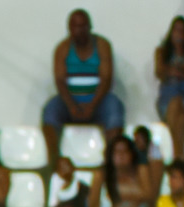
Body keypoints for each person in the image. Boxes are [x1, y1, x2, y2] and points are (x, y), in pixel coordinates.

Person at [43, 9, 124, 168]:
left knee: (114, 107)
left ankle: (111, 162)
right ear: (69, 29)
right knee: (50, 110)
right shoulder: (62, 48)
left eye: (82, 26)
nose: (78, 31)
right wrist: (71, 105)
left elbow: (106, 80)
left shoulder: (102, 45)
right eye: (74, 27)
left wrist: (92, 105)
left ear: (90, 27)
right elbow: (60, 82)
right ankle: (55, 163)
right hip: (70, 101)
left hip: (98, 100)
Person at [155, 16, 184, 162]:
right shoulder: (161, 51)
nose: (179, 34)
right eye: (177, 30)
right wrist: (173, 70)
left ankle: (177, 156)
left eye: (182, 31)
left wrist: (180, 60)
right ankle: (180, 156)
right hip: (168, 94)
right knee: (175, 104)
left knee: (180, 109)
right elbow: (159, 73)